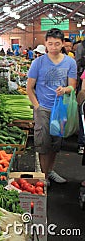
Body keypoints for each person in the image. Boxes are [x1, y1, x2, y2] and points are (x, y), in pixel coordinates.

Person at [26, 28, 77, 185]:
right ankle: (43, 175)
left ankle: (50, 170)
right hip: (43, 109)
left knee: (56, 143)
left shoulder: (70, 62)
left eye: (57, 44)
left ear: (62, 44)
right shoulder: (38, 62)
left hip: (60, 110)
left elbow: (72, 86)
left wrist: (65, 90)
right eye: (50, 44)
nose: (53, 47)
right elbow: (29, 87)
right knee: (43, 144)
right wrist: (37, 106)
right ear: (45, 44)